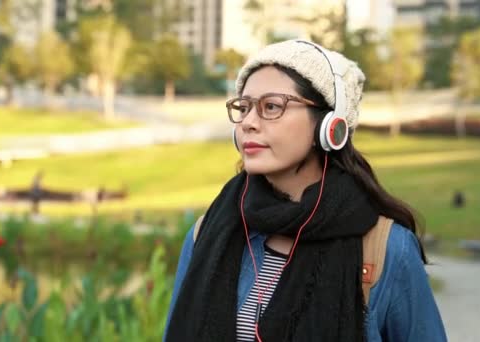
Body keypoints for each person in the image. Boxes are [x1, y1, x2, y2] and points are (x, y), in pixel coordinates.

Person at [164, 40, 447, 342]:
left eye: (271, 107)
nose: (248, 122)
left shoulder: (386, 249)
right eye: (244, 108)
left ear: (328, 126)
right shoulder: (207, 233)